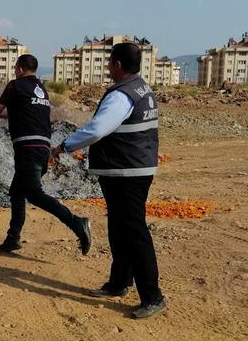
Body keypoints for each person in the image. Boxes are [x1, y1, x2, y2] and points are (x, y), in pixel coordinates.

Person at [53, 42, 166, 319]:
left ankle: (152, 296)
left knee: (134, 231)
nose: (108, 68)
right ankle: (119, 282)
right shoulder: (141, 88)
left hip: (127, 170)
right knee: (119, 227)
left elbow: (98, 129)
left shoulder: (122, 95)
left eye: (109, 63)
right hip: (129, 168)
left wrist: (64, 146)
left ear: (117, 64)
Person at [0, 54, 92, 256]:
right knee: (17, 192)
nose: (15, 71)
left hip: (28, 148)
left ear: (21, 69)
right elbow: (22, 111)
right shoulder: (41, 90)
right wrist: (3, 114)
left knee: (33, 193)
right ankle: (12, 239)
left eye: (15, 68)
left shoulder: (15, 85)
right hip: (42, 148)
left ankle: (77, 223)